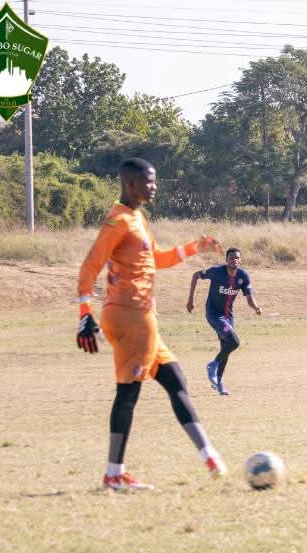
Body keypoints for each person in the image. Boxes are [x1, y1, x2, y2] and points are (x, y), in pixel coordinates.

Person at [76, 157, 228, 491]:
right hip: (130, 317)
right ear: (130, 185)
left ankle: (210, 456)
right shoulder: (118, 221)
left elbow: (155, 259)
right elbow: (90, 265)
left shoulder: (137, 218)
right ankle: (113, 474)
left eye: (155, 180)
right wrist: (83, 312)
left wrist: (194, 247)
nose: (154, 186)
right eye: (148, 181)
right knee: (128, 393)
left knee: (175, 380)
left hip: (142, 320)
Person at [187, 247, 263, 395]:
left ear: (240, 260)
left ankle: (219, 383)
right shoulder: (216, 272)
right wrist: (190, 300)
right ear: (226, 260)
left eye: (237, 258)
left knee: (226, 349)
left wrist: (256, 308)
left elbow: (249, 298)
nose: (234, 260)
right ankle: (212, 366)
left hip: (228, 317)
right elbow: (195, 275)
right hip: (214, 315)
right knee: (234, 342)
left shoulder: (243, 276)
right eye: (231, 258)